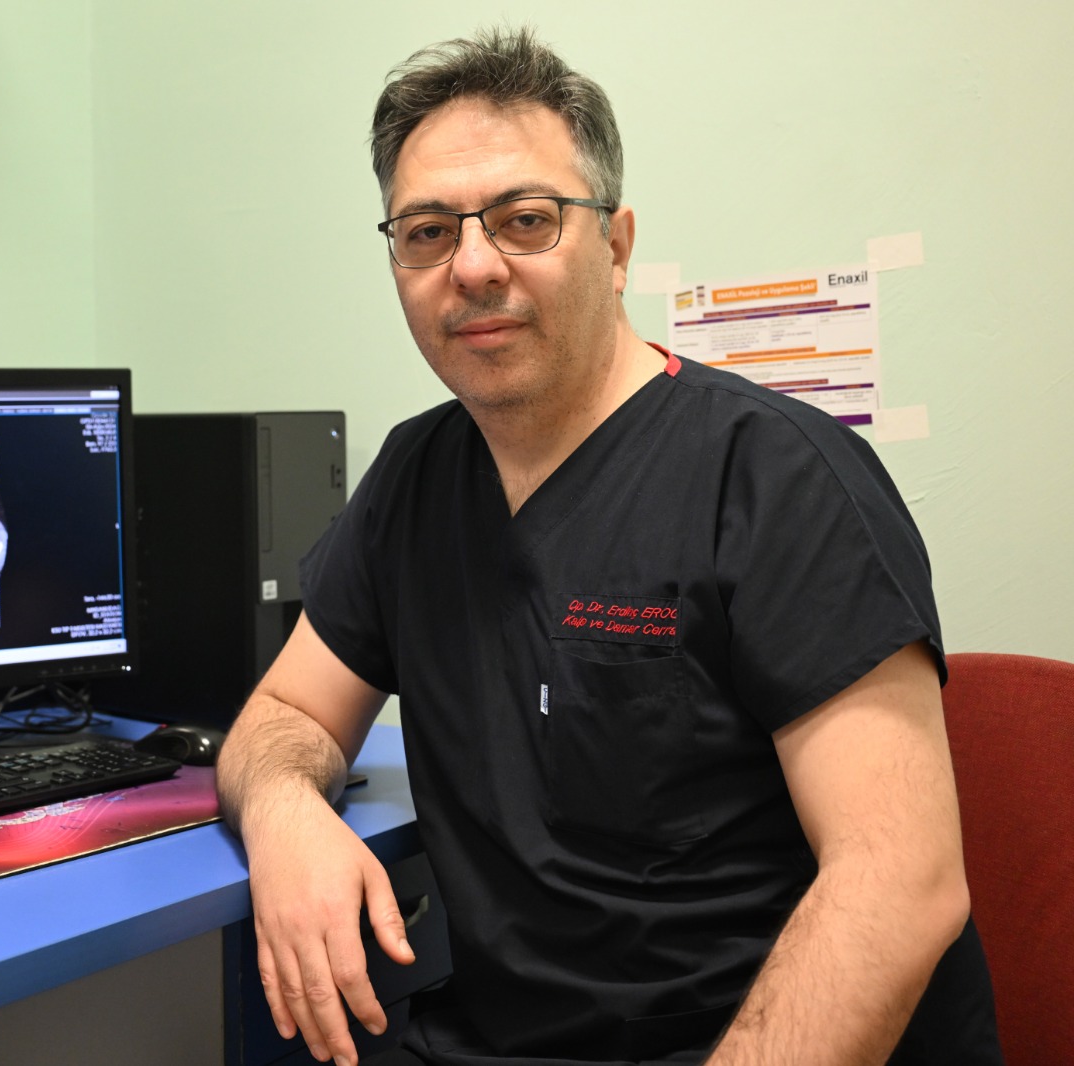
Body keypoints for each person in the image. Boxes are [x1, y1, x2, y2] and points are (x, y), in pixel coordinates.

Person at [215, 26, 1001, 1066]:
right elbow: (285, 714)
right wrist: (282, 812)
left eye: (525, 220)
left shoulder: (775, 477)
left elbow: (899, 882)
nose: (473, 265)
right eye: (427, 232)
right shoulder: (415, 477)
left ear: (617, 246)